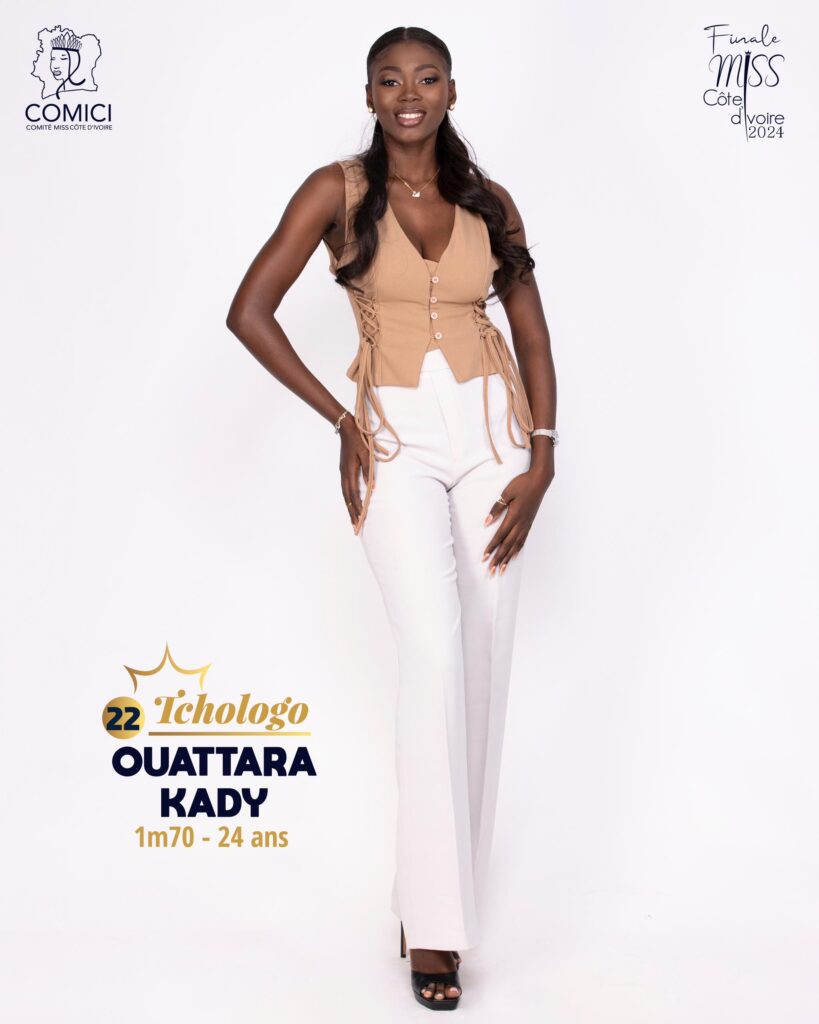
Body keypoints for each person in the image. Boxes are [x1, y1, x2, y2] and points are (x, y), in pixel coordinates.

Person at [226, 25, 557, 1011]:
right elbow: (249, 309)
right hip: (393, 434)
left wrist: (544, 455)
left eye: (426, 77)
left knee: (484, 659)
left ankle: (435, 902)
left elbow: (530, 328)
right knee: (432, 651)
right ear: (369, 95)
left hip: (495, 432)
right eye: (389, 79)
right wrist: (341, 419)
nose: (408, 92)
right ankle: (435, 928)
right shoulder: (336, 192)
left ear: (451, 90)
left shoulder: (488, 201)